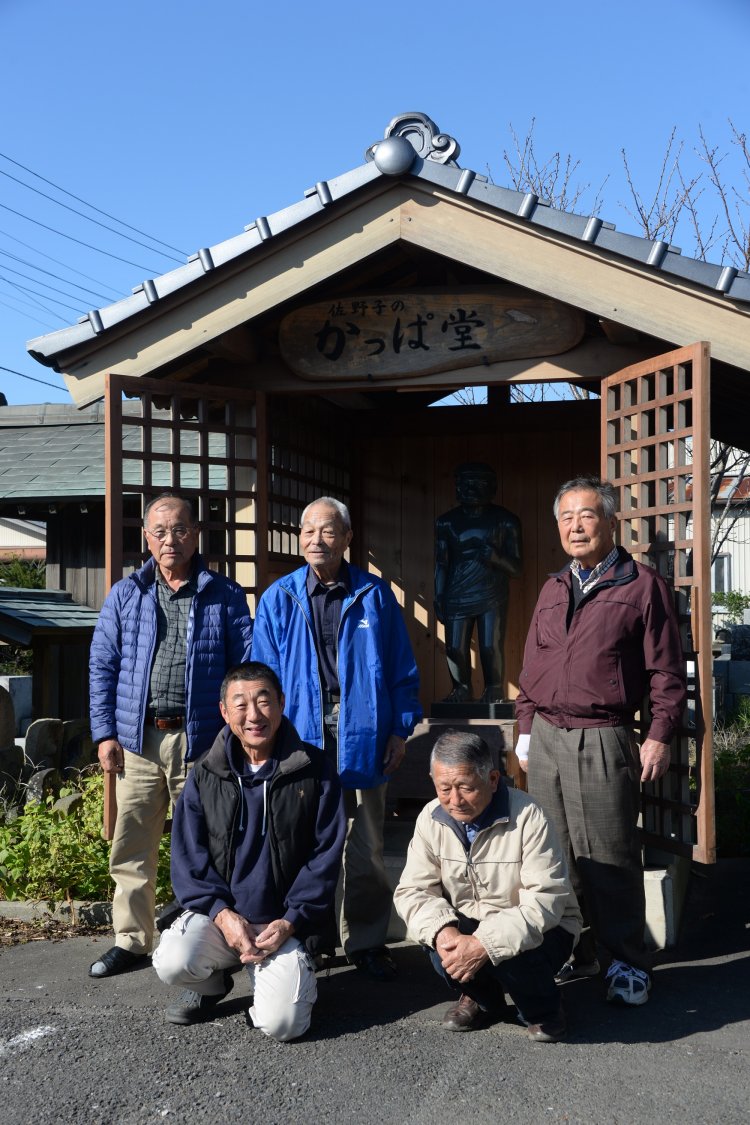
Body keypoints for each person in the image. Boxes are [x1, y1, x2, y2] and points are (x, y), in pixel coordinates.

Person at [514, 475, 687, 1006]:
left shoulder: (642, 586)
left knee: (609, 855)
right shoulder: (553, 587)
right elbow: (532, 666)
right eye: (566, 517)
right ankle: (577, 949)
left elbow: (666, 673)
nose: (575, 526)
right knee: (554, 856)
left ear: (611, 522)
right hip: (547, 736)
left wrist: (659, 735)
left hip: (603, 735)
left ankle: (626, 962)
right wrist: (525, 729)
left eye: (586, 515)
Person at [251, 496, 422, 981]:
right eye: (308, 531)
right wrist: (266, 736)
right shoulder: (279, 597)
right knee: (301, 841)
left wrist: (399, 729)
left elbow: (401, 668)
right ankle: (311, 937)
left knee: (366, 844)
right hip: (299, 733)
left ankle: (366, 940)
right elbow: (262, 676)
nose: (316, 540)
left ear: (347, 538)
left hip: (364, 731)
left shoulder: (374, 594)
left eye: (327, 531)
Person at [88, 492, 254, 979]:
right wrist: (104, 733)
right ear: (146, 537)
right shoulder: (126, 593)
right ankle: (131, 940)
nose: (169, 540)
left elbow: (244, 667)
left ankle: (204, 939)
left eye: (179, 529)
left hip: (202, 741)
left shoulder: (224, 594)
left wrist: (237, 733)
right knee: (131, 844)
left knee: (207, 844)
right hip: (138, 739)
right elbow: (102, 666)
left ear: (195, 534)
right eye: (159, 531)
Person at [152, 662, 345, 1040]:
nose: (254, 715)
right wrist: (223, 916)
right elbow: (189, 858)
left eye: (263, 701)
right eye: (240, 705)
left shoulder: (315, 770)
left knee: (284, 1025)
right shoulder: (205, 773)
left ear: (282, 703)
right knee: (174, 960)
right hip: (223, 921)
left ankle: (293, 975)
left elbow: (324, 856)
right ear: (224, 712)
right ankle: (213, 984)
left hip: (284, 925)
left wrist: (291, 920)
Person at [393, 730, 581, 1041]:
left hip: (546, 927)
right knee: (441, 943)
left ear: (493, 779)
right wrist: (444, 932)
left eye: (466, 788)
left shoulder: (529, 815)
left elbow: (545, 902)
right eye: (444, 788)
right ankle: (482, 999)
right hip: (471, 920)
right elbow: (412, 891)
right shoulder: (430, 817)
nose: (455, 800)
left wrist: (483, 944)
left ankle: (544, 1008)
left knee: (514, 953)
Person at [434, 463, 522, 703]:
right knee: (454, 647)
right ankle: (460, 689)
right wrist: (438, 596)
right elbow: (441, 563)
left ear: (492, 488)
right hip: (456, 591)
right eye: (465, 484)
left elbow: (517, 569)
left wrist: (496, 557)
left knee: (490, 645)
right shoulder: (446, 523)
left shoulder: (506, 521)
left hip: (491, 592)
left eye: (478, 484)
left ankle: (494, 688)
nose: (470, 489)